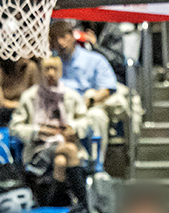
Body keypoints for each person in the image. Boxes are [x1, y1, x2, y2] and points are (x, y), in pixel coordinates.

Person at [11, 56, 93, 207]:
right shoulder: (29, 97)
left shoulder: (71, 96)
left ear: (60, 71)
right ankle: (85, 203)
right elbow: (15, 127)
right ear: (40, 72)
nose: (50, 73)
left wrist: (73, 128)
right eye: (46, 69)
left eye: (54, 69)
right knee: (69, 151)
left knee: (61, 161)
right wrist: (37, 131)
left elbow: (86, 122)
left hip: (65, 144)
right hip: (39, 149)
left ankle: (51, 204)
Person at [50, 20, 122, 156]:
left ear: (73, 36)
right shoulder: (50, 64)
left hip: (86, 107)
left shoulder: (94, 59)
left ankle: (96, 166)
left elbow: (108, 88)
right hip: (58, 109)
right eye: (55, 39)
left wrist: (89, 102)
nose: (60, 43)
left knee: (97, 116)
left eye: (63, 36)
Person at [0, 40, 38, 127]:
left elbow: (38, 96)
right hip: (2, 119)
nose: (27, 52)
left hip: (27, 118)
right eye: (23, 48)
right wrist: (24, 105)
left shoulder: (31, 67)